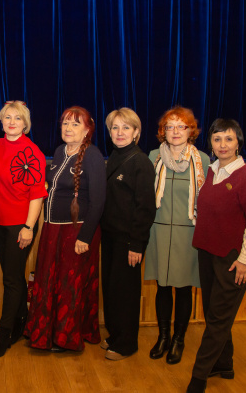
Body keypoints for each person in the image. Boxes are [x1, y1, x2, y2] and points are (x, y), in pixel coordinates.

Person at [186, 119, 246, 393]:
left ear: (238, 143)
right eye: (217, 139)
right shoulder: (212, 171)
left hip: (233, 259)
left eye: (229, 139)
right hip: (208, 254)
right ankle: (224, 363)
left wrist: (245, 260)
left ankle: (198, 378)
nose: (222, 145)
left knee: (218, 319)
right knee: (215, 314)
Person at [24, 106, 106, 351]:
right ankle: (46, 332)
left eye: (75, 124)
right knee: (50, 282)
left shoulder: (92, 155)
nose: (68, 128)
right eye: (65, 123)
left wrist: (85, 237)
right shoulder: (60, 151)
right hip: (52, 229)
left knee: (70, 285)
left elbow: (98, 201)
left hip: (76, 231)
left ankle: (65, 337)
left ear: (87, 130)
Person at [146, 107, 209, 364]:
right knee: (162, 286)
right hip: (158, 230)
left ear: (190, 131)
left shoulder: (202, 160)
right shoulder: (154, 157)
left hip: (188, 232)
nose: (175, 131)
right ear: (163, 131)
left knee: (183, 288)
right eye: (169, 126)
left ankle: (178, 340)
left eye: (181, 126)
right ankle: (163, 337)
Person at [0, 100, 48, 359]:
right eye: (7, 117)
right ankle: (22, 321)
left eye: (18, 118)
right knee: (13, 276)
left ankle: (4, 335)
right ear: (1, 121)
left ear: (25, 124)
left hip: (20, 225)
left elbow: (37, 194)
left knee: (11, 280)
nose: (12, 122)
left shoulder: (32, 152)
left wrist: (28, 227)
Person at [99, 108, 156, 361]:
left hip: (128, 240)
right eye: (115, 127)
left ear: (136, 133)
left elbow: (145, 207)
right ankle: (115, 335)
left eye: (126, 127)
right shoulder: (115, 155)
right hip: (110, 236)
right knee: (112, 290)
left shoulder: (140, 162)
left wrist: (137, 244)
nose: (120, 132)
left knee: (126, 293)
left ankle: (127, 343)